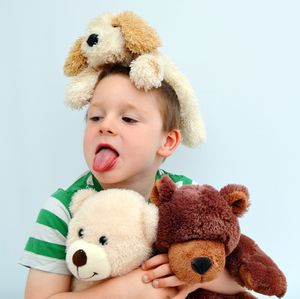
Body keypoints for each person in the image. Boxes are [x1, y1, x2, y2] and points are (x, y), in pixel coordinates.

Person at [20, 12, 245, 299]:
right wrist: (127, 289)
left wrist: (194, 275)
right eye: (95, 117)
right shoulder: (62, 210)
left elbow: (242, 280)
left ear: (167, 141)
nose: (106, 127)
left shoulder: (187, 197)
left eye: (128, 119)